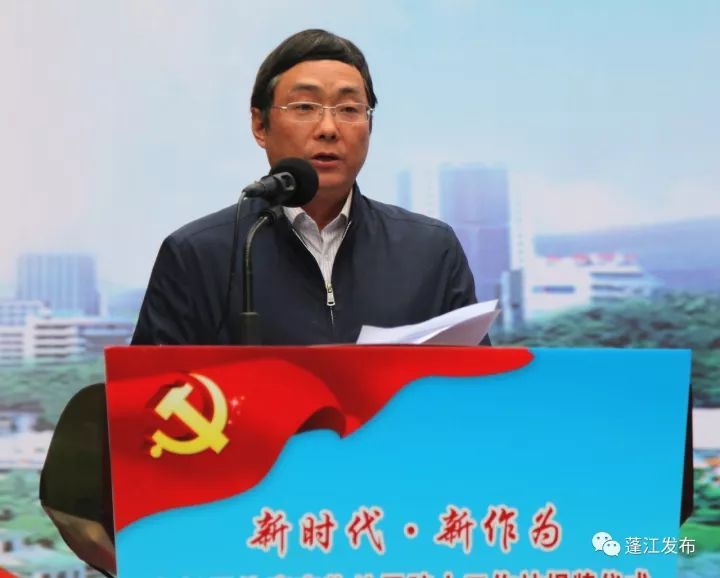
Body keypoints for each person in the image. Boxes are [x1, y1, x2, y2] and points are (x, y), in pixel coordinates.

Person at [132, 29, 485, 346]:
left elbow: (476, 386)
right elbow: (156, 392)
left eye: (349, 109)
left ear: (370, 125)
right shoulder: (195, 256)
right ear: (260, 125)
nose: (328, 128)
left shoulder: (431, 251)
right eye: (304, 106)